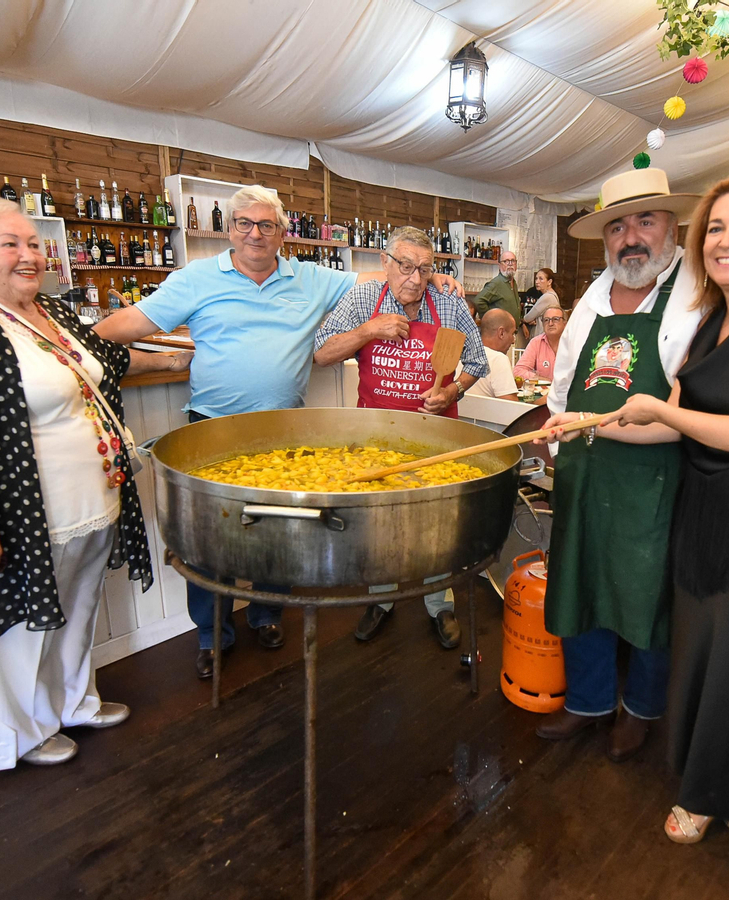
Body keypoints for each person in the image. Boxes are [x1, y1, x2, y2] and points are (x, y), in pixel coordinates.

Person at [546, 171, 729, 898]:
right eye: (719, 229)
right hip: (703, 508)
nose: (727, 241)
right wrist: (586, 424)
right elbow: (655, 412)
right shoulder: (710, 320)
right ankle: (705, 793)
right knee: (703, 664)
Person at [95, 186, 461, 679]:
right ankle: (212, 637)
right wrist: (119, 350)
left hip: (288, 435)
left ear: (283, 234)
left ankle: (268, 618)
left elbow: (382, 275)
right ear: (230, 227)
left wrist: (431, 274)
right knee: (208, 543)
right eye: (245, 223)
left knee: (284, 537)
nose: (255, 234)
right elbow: (124, 326)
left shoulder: (310, 277)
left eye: (267, 225)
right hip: (212, 430)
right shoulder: (196, 277)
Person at [0, 195, 187, 771]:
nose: (29, 255)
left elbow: (104, 359)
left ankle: (74, 701)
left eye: (33, 243)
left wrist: (181, 362)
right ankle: (19, 732)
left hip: (93, 501)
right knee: (16, 626)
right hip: (23, 510)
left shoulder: (47, 312)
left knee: (77, 607)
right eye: (10, 244)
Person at [313, 225, 486, 648]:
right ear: (385, 263)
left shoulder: (447, 303)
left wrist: (451, 390)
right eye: (405, 266)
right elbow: (321, 353)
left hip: (435, 436)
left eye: (425, 269)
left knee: (434, 526)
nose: (414, 278)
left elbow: (477, 361)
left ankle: (439, 605)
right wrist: (368, 331)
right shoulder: (361, 300)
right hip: (375, 439)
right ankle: (382, 599)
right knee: (380, 525)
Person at [465, 308, 520, 401]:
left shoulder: (464, 352)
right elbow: (511, 408)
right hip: (485, 415)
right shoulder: (498, 359)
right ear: (501, 333)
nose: (513, 340)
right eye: (513, 333)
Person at [473, 250, 523, 335]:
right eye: (506, 261)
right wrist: (491, 320)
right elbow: (478, 301)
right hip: (499, 335)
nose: (510, 264)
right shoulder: (496, 283)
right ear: (499, 265)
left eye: (513, 261)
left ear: (516, 264)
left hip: (511, 333)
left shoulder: (513, 283)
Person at [515, 307, 565, 384]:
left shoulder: (574, 343)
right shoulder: (536, 342)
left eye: (555, 319)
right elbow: (518, 371)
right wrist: (539, 379)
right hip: (543, 392)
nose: (550, 323)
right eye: (546, 320)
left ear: (565, 323)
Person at [522, 267, 562, 339]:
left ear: (549, 282)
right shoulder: (553, 295)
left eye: (541, 279)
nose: (537, 281)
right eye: (536, 278)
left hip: (542, 336)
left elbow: (528, 317)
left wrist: (523, 320)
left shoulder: (547, 297)